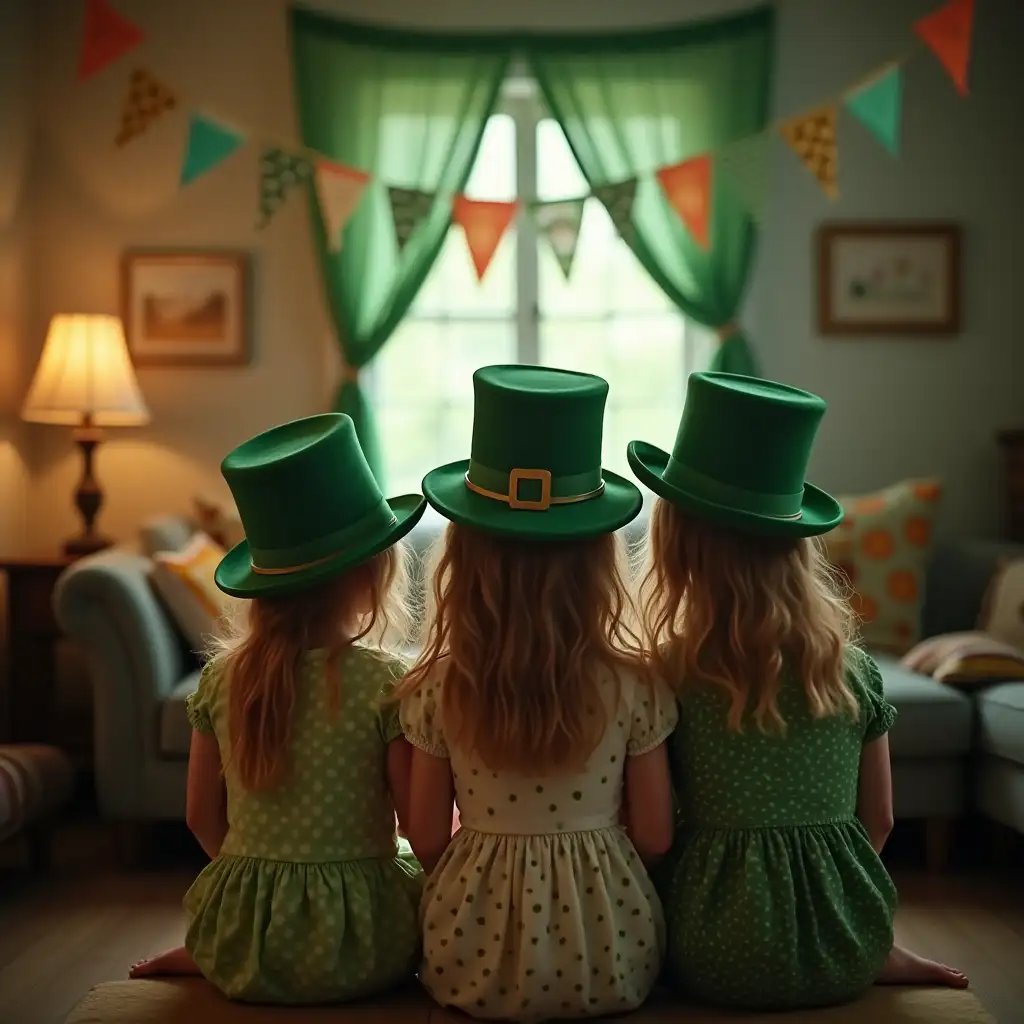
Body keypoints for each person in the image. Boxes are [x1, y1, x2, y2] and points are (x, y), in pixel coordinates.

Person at [628, 371, 968, 1011]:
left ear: (677, 542)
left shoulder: (668, 673)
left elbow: (653, 835)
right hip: (843, 947)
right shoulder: (852, 670)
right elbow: (883, 819)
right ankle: (881, 955)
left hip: (707, 953)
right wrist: (824, 898)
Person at [396, 365, 678, 1021]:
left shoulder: (437, 686)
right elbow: (658, 836)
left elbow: (429, 837)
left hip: (471, 955)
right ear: (599, 560)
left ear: (463, 561)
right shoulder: (637, 684)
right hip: (612, 952)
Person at [129, 413, 427, 1004]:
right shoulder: (384, 679)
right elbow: (412, 825)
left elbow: (199, 818)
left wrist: (263, 885)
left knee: (237, 899)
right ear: (371, 574)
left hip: (249, 938)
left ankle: (208, 953)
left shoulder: (221, 679)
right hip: (368, 947)